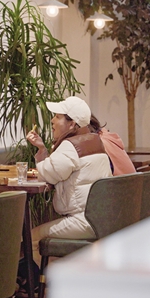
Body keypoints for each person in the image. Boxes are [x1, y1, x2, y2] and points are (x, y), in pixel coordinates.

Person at [25, 96, 112, 243]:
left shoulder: (71, 146)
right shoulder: (94, 141)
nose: (52, 121)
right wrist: (42, 149)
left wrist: (42, 154)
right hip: (102, 218)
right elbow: (53, 169)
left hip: (85, 220)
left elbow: (46, 174)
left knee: (32, 238)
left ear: (72, 124)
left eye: (57, 117)